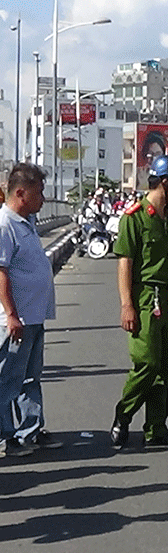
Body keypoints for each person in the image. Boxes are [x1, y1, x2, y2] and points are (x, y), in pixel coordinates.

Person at [110, 155, 168, 449]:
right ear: (166, 184)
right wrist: (126, 305)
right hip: (146, 297)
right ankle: (124, 415)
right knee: (147, 362)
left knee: (166, 367)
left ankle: (156, 427)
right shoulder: (134, 217)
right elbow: (125, 263)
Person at [0, 162, 60, 455]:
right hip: (16, 318)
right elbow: (0, 272)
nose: (43, 199)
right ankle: (5, 438)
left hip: (33, 317)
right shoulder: (5, 225)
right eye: (39, 193)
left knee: (29, 377)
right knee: (7, 380)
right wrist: (11, 314)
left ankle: (30, 430)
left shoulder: (26, 222)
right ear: (21, 193)